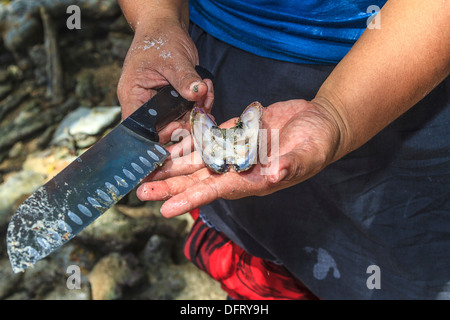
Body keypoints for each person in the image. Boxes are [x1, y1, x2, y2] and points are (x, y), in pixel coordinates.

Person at [117, 0, 450, 299]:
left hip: (406, 66)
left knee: (405, 261)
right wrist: (157, 21)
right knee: (258, 243)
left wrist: (337, 115)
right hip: (210, 58)